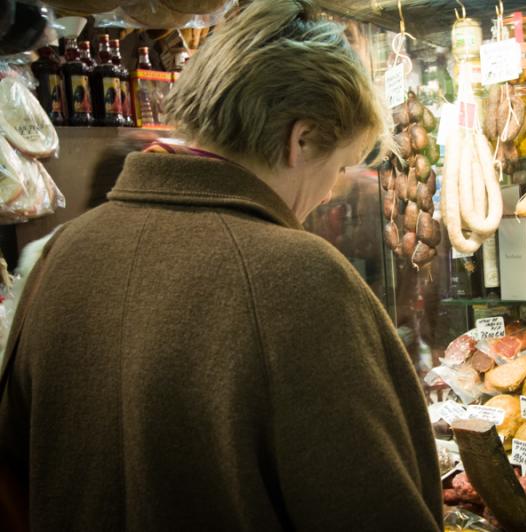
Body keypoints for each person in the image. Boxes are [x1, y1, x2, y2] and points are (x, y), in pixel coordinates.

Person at [0, 1, 443, 530]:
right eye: (339, 165)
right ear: (300, 139)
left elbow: (13, 476)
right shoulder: (302, 276)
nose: (329, 193)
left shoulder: (65, 250)